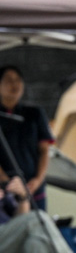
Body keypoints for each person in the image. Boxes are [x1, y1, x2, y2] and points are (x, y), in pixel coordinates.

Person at [0, 65, 54, 212]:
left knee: (36, 222)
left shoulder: (35, 114)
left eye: (18, 80)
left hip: (34, 188)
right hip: (5, 190)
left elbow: (44, 150)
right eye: (9, 80)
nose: (14, 84)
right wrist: (5, 181)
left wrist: (37, 180)